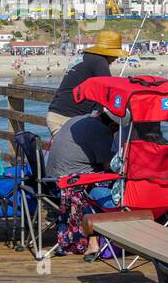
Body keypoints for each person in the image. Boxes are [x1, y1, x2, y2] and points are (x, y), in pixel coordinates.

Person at [47, 110, 121, 260]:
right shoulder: (101, 130)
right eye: (117, 129)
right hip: (69, 183)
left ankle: (101, 236)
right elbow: (108, 166)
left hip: (50, 181)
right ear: (113, 125)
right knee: (113, 186)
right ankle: (106, 236)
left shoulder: (78, 119)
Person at [46, 31, 128, 135]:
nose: (116, 58)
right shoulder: (99, 60)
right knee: (79, 149)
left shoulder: (85, 57)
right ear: (108, 53)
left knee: (64, 149)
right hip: (68, 118)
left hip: (55, 113)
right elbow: (107, 89)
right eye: (115, 54)